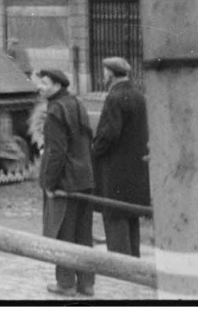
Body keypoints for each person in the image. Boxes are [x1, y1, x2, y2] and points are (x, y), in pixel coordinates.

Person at [37, 68, 95, 297]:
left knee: (64, 233)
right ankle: (87, 284)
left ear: (57, 85)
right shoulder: (77, 103)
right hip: (85, 178)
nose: (39, 86)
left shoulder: (55, 111)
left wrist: (48, 184)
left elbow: (55, 152)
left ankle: (66, 284)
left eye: (44, 82)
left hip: (65, 182)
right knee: (84, 235)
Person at [91, 57, 149, 258]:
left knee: (114, 217)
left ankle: (120, 269)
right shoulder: (139, 96)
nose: (104, 75)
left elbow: (109, 134)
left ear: (110, 74)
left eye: (105, 71)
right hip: (135, 169)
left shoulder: (114, 97)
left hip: (115, 170)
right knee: (131, 216)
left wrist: (94, 150)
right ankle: (134, 261)